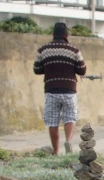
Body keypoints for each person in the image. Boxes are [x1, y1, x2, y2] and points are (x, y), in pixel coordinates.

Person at [33, 21, 87, 154]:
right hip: (69, 90)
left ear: (53, 34)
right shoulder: (74, 50)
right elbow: (82, 70)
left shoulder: (43, 50)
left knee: (52, 122)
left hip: (51, 90)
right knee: (70, 118)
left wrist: (50, 68)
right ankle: (68, 141)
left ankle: (56, 151)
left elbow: (37, 69)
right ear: (66, 34)